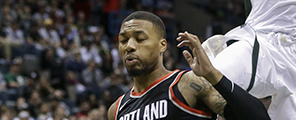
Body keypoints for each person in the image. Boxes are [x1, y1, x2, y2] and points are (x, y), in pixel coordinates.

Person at [107, 11, 271, 120]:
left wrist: (212, 74)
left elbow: (259, 118)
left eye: (140, 39)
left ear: (162, 45)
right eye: (123, 40)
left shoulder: (188, 84)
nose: (129, 46)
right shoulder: (116, 110)